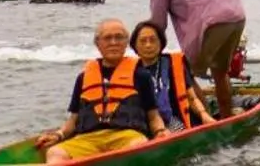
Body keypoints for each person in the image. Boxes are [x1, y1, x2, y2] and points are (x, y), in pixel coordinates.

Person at [35, 19, 166, 161]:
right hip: (88, 139)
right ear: (98, 44)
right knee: (54, 153)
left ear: (126, 43)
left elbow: (153, 115)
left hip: (127, 136)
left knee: (137, 145)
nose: (113, 42)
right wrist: (58, 135)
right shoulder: (83, 77)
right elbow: (73, 120)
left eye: (119, 37)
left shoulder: (141, 75)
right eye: (107, 38)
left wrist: (160, 132)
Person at [145, 0, 247, 115]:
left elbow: (158, 23)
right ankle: (226, 115)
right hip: (236, 14)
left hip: (212, 21)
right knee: (219, 70)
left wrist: (148, 49)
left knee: (183, 74)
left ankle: (206, 119)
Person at [132, 20, 215, 133]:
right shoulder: (131, 70)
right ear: (134, 45)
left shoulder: (174, 63)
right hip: (144, 122)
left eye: (153, 40)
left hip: (172, 119)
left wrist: (204, 115)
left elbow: (192, 98)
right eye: (142, 41)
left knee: (176, 130)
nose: (148, 45)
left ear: (161, 42)